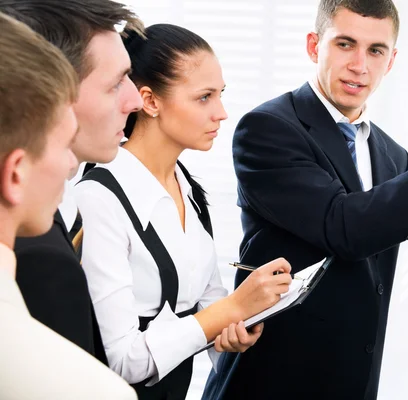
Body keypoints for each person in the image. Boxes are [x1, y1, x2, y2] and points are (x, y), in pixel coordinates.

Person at [203, 0, 408, 399]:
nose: (360, 65)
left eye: (375, 51)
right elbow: (344, 227)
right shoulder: (268, 129)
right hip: (272, 379)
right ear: (314, 46)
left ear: (391, 61)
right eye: (345, 44)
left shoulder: (393, 156)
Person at [74, 23, 292, 400]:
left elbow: (209, 306)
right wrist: (228, 311)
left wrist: (238, 324)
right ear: (150, 101)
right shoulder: (100, 198)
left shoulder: (187, 187)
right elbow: (122, 361)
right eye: (204, 97)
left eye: (220, 94)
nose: (222, 113)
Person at [0, 0, 144, 365]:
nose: (135, 101)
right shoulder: (33, 253)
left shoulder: (49, 211)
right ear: (49, 89)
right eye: (115, 85)